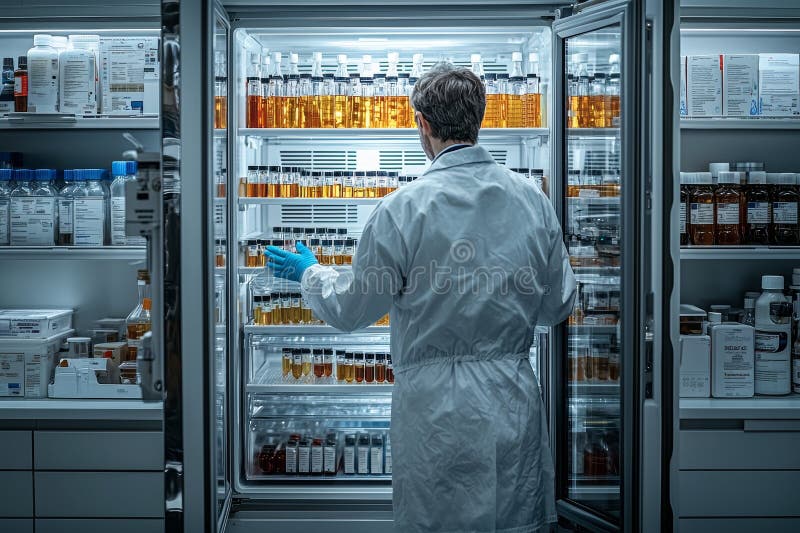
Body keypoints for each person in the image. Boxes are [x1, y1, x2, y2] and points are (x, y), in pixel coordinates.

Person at [265, 62, 576, 533]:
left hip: (435, 414)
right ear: (479, 119)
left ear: (424, 124)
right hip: (510, 403)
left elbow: (352, 309)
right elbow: (557, 306)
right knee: (513, 520)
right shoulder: (531, 200)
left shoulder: (402, 209)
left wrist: (311, 274)